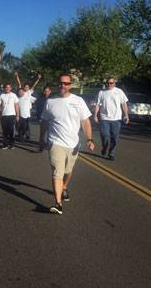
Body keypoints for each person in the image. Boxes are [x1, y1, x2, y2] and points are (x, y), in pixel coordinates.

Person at [40, 74, 95, 215]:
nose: (63, 85)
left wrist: (89, 139)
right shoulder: (50, 101)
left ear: (70, 85)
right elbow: (45, 121)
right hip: (55, 142)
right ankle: (58, 204)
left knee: (67, 171)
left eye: (66, 83)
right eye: (61, 83)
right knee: (57, 172)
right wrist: (42, 138)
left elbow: (85, 122)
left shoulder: (78, 101)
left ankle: (64, 186)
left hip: (73, 144)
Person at [93, 77, 129, 161]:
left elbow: (124, 104)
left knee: (114, 137)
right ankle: (104, 147)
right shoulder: (101, 92)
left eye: (111, 83)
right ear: (106, 83)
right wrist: (95, 115)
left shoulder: (119, 92)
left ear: (114, 83)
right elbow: (98, 105)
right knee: (104, 135)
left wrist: (126, 115)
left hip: (116, 119)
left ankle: (111, 153)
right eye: (108, 83)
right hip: (104, 118)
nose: (109, 84)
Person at [14, 71, 43, 140]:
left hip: (27, 113)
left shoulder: (29, 92)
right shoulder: (21, 92)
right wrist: (16, 76)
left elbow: (34, 85)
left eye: (27, 87)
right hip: (20, 113)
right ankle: (21, 135)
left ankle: (27, 135)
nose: (26, 88)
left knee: (27, 126)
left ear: (28, 88)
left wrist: (38, 79)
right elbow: (19, 84)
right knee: (20, 125)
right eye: (25, 87)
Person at [0, 82, 19, 150]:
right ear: (4, 88)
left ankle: (12, 144)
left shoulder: (14, 95)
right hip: (4, 115)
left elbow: (16, 105)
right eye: (6, 87)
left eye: (9, 87)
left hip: (12, 115)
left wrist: (17, 115)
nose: (7, 88)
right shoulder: (2, 95)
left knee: (11, 130)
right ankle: (5, 144)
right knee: (4, 131)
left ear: (11, 88)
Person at [37, 85, 52, 151]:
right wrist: (39, 118)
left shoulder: (53, 99)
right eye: (45, 91)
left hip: (51, 119)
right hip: (43, 119)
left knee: (50, 134)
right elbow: (38, 109)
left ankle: (49, 146)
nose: (46, 92)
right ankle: (41, 147)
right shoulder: (41, 99)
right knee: (42, 134)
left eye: (47, 91)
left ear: (50, 91)